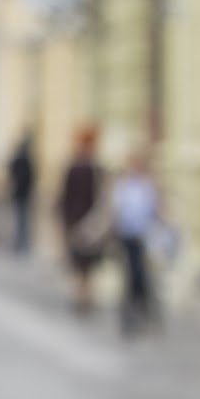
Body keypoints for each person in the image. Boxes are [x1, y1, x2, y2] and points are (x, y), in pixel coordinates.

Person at [111, 148, 161, 335]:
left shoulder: (147, 184)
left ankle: (142, 314)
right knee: (130, 277)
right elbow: (115, 209)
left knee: (141, 276)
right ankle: (130, 316)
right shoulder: (123, 184)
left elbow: (155, 209)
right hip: (126, 236)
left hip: (144, 237)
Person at [57, 125, 105, 313]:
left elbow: (64, 198)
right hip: (87, 222)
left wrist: (66, 224)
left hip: (78, 221)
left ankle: (81, 295)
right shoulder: (93, 168)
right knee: (85, 264)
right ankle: (83, 295)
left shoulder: (77, 167)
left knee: (81, 264)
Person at [6, 132, 36, 255]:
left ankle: (20, 243)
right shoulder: (24, 159)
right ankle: (21, 243)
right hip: (22, 193)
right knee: (21, 219)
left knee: (21, 219)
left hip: (21, 193)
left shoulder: (21, 159)